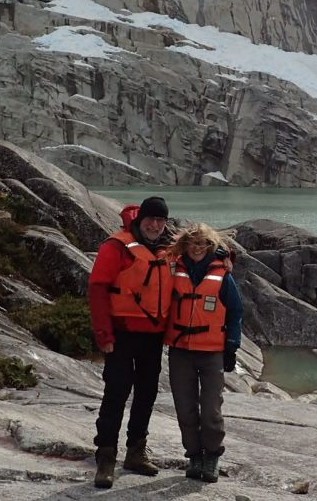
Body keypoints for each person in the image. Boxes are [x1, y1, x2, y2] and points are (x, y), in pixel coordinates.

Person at [88, 196, 173, 489]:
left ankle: (136, 451)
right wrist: (104, 335)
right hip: (122, 335)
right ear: (140, 219)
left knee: (146, 394)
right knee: (116, 393)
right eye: (151, 219)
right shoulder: (117, 246)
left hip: (153, 338)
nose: (155, 225)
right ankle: (106, 456)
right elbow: (98, 288)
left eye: (161, 221)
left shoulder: (167, 250)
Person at [164, 223, 244, 484]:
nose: (198, 248)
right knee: (185, 409)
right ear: (185, 245)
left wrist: (231, 347)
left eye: (203, 244)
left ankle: (212, 455)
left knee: (211, 410)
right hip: (180, 351)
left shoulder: (223, 276)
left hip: (211, 352)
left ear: (211, 247)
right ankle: (194, 456)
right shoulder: (174, 269)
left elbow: (235, 312)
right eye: (193, 243)